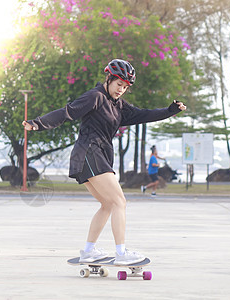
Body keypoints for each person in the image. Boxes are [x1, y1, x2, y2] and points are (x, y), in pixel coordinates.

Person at [22, 59, 186, 265]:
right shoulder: (95, 97)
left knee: (108, 204)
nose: (121, 90)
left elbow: (143, 114)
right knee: (119, 202)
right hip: (90, 153)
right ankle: (121, 253)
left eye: (125, 87)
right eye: (119, 84)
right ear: (108, 79)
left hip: (93, 157)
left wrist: (169, 111)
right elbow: (67, 112)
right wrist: (37, 124)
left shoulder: (118, 106)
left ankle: (89, 251)